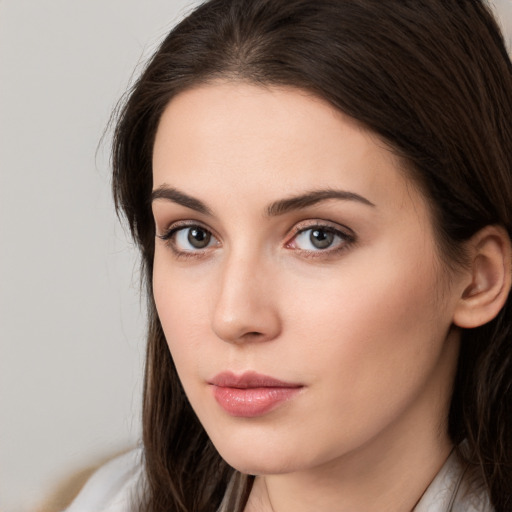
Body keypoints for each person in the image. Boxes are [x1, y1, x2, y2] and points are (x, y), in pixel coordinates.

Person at [66, 0, 512, 511]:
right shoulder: (112, 500)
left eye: (319, 237)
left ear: (478, 278)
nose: (233, 316)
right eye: (193, 235)